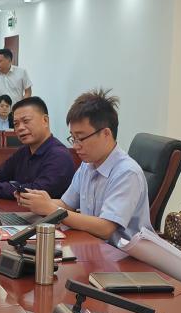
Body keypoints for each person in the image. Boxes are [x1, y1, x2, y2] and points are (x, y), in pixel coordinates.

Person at [18, 89, 150, 246]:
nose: (75, 146)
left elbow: (105, 228)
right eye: (73, 138)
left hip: (122, 255)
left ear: (106, 134)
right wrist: (38, 201)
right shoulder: (87, 165)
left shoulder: (127, 172)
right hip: (92, 246)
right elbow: (66, 204)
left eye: (80, 138)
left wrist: (50, 209)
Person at [0, 96, 75, 200]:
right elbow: (1, 172)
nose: (20, 128)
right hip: (19, 209)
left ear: (45, 120)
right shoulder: (24, 151)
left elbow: (35, 192)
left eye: (26, 121)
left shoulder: (59, 156)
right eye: (16, 124)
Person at [0, 48, 31, 122]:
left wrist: (21, 106)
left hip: (17, 111)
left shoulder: (21, 72)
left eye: (0, 61)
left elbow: (28, 92)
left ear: (9, 61)